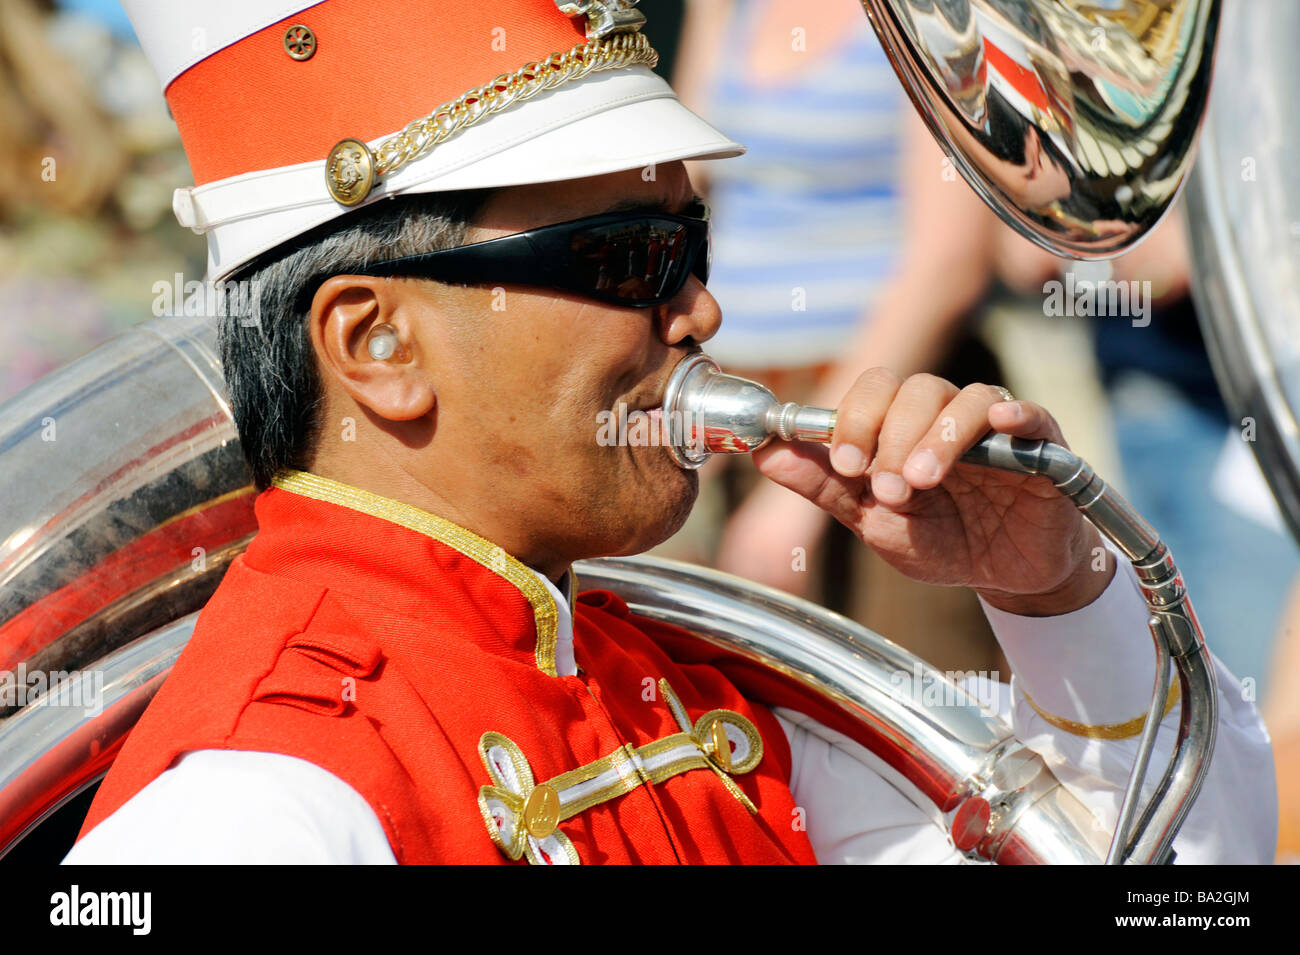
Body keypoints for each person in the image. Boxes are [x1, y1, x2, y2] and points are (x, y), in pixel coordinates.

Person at [66, 0, 1274, 864]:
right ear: (377, 346)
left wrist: (1058, 597)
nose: (700, 308)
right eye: (632, 258)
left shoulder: (688, 691)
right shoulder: (253, 807)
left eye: (691, 248)